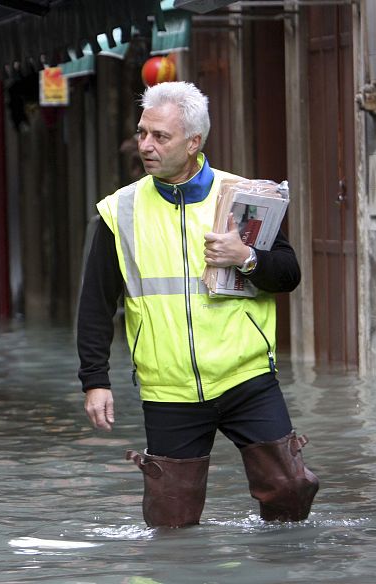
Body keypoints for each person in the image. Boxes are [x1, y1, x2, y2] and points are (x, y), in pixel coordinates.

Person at [76, 82, 318, 528]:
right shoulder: (120, 211)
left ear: (194, 143)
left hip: (247, 377)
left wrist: (245, 258)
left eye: (160, 137)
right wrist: (95, 380)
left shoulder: (245, 197)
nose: (146, 146)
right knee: (170, 524)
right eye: (143, 133)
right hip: (169, 389)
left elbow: (288, 274)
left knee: (290, 490)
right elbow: (94, 304)